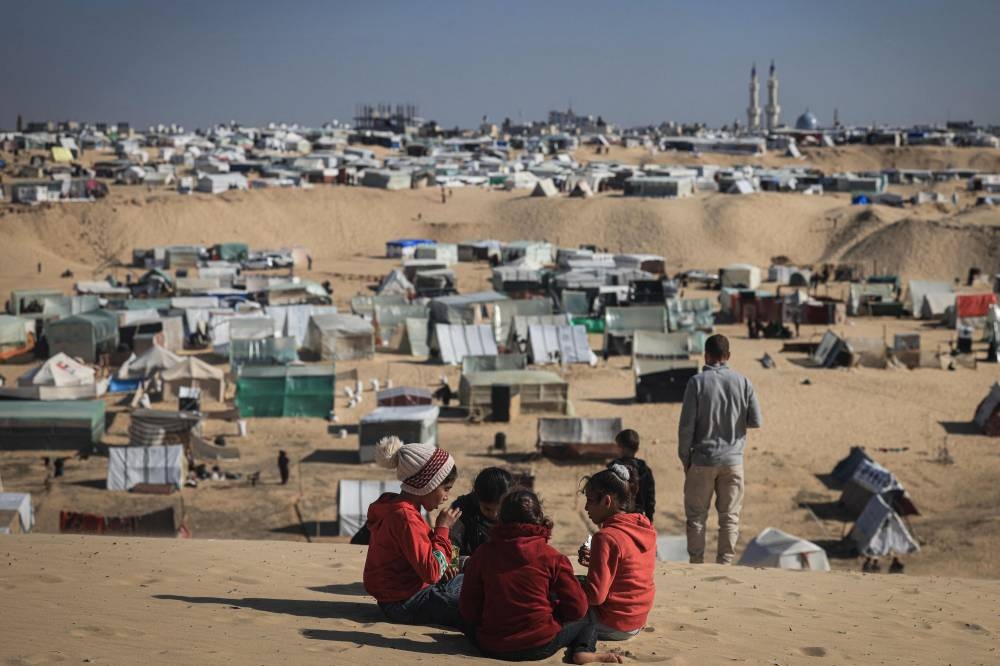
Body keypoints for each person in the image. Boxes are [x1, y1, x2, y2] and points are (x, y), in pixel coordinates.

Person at [460, 490, 622, 664]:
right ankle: (583, 650)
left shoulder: (482, 554)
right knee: (589, 617)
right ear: (538, 517)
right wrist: (554, 612)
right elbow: (577, 608)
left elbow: (468, 608)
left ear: (501, 519)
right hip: (540, 645)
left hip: (491, 646)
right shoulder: (553, 557)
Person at [363, 436, 465, 629]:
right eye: (446, 489)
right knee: (475, 605)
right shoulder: (404, 517)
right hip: (404, 602)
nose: (446, 497)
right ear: (427, 485)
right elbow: (432, 572)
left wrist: (450, 562)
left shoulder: (403, 509)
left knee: (475, 578)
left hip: (415, 591)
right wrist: (443, 528)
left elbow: (433, 557)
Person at [678, 333, 763, 565]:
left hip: (702, 459)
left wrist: (685, 459)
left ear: (706, 355)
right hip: (733, 460)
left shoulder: (696, 383)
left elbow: (686, 427)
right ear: (728, 356)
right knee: (729, 517)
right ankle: (725, 563)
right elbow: (756, 420)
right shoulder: (743, 381)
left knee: (696, 516)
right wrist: (733, 420)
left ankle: (696, 564)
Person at [577, 464, 656, 642]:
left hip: (613, 623)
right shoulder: (643, 526)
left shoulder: (606, 537)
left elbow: (595, 597)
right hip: (636, 620)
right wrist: (595, 562)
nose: (586, 507)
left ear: (606, 501)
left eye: (590, 500)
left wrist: (568, 588)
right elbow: (628, 568)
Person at [450, 467, 515, 558]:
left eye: (500, 510)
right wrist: (463, 563)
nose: (494, 515)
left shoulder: (516, 510)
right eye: (487, 509)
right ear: (477, 499)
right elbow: (453, 546)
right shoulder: (463, 511)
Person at [608, 429, 655, 523]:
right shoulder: (645, 470)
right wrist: (649, 520)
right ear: (637, 448)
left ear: (620, 448)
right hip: (639, 519)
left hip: (619, 519)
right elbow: (650, 498)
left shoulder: (614, 469)